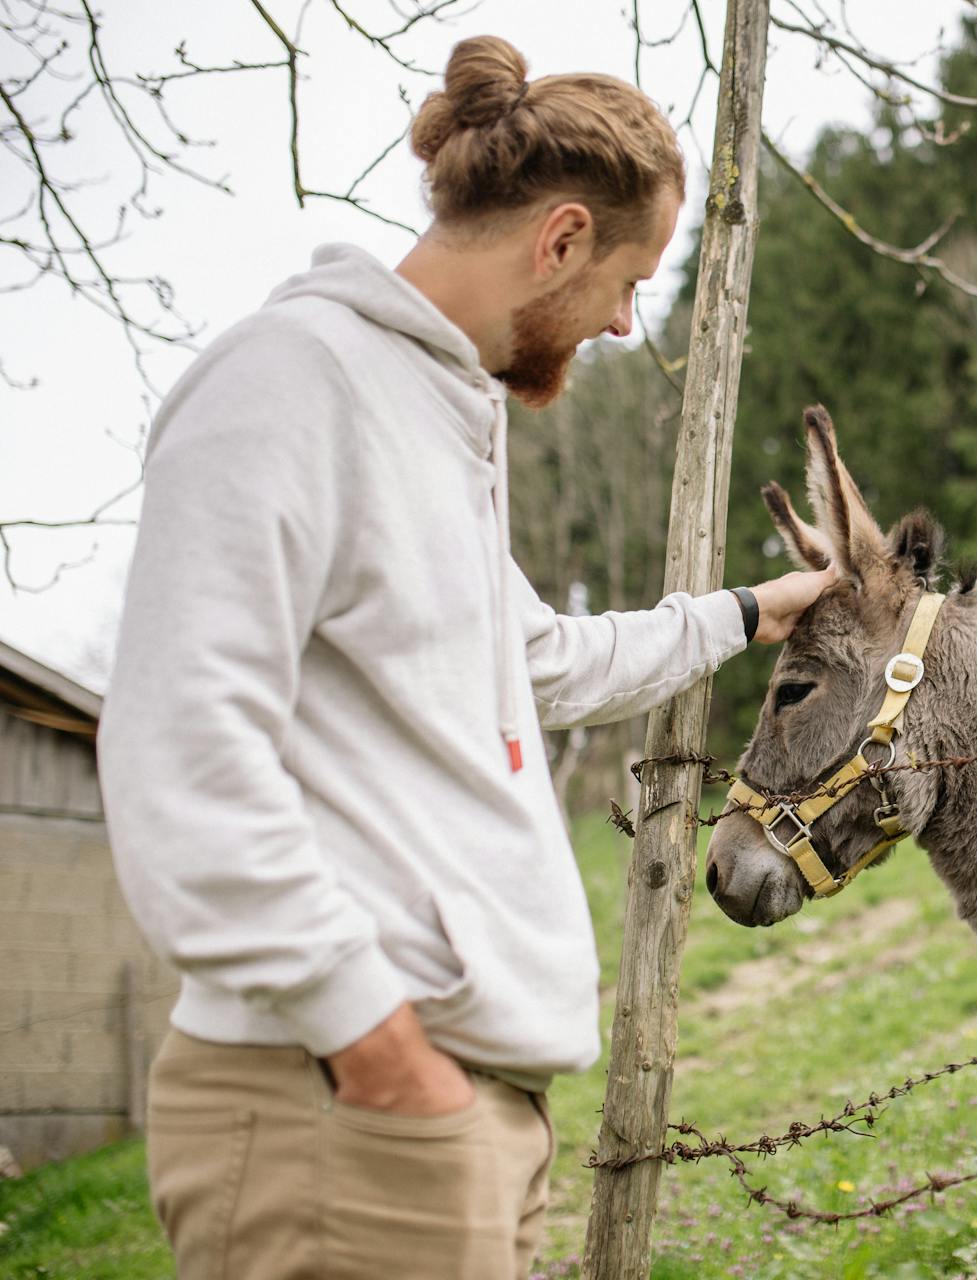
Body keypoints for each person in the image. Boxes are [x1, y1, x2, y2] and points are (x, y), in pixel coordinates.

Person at [94, 35, 833, 1280]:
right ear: (558, 239)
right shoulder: (291, 383)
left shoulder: (435, 417)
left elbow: (535, 659)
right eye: (625, 280)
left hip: (456, 1107)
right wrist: (378, 1047)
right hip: (341, 1105)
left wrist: (745, 614)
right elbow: (180, 746)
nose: (619, 321)